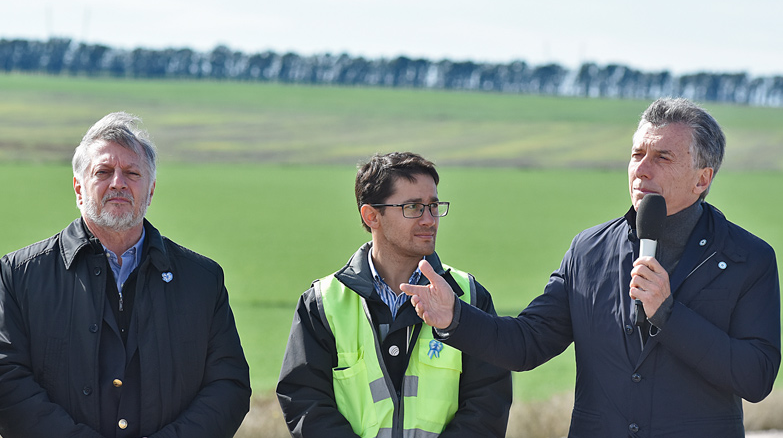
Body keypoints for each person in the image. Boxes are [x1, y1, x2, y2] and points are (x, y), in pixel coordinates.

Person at [402, 98, 780, 437]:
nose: (642, 170)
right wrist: (454, 318)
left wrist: (669, 314)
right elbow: (526, 344)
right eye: (637, 155)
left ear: (703, 178)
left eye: (663, 157)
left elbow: (756, 377)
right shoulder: (589, 250)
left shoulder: (749, 258)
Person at [0, 112, 251, 438]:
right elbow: (7, 379)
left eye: (132, 173)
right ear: (78, 188)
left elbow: (228, 385)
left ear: (151, 190)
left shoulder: (202, 280)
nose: (118, 182)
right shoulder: (20, 276)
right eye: (103, 172)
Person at [276, 152, 511, 437]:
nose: (429, 219)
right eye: (413, 207)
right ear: (371, 215)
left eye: (433, 206)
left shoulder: (470, 297)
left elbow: (488, 404)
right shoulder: (322, 303)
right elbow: (304, 401)